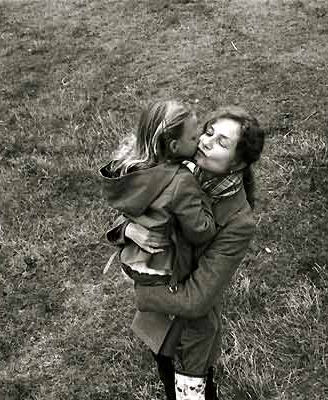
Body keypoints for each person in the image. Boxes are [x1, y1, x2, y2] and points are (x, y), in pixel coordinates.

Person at [106, 106, 266, 400]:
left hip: (190, 332)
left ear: (237, 164)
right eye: (208, 132)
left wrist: (143, 295)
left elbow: (197, 299)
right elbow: (134, 203)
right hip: (158, 326)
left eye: (222, 142)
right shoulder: (179, 167)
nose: (206, 142)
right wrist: (127, 229)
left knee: (197, 392)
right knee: (169, 383)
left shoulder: (238, 222)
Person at [100, 100, 221, 397]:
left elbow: (130, 212)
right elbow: (200, 231)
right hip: (171, 276)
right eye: (194, 138)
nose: (200, 141)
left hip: (142, 270)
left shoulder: (135, 172)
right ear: (174, 144)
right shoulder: (181, 182)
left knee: (166, 347)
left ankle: (175, 383)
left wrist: (128, 228)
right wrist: (208, 204)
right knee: (195, 340)